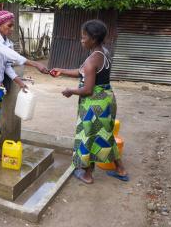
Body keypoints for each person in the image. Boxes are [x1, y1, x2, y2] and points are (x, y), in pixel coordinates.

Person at [51, 20, 128, 184]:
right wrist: (61, 70)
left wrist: (70, 91)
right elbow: (83, 72)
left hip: (93, 104)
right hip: (107, 100)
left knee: (86, 136)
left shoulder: (92, 59)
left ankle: (86, 174)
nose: (81, 40)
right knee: (105, 135)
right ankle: (120, 169)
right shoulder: (103, 52)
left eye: (84, 37)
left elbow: (87, 90)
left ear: (93, 38)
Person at [0, 10, 48, 146]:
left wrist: (21, 83)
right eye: (9, 26)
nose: (11, 29)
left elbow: (7, 67)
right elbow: (13, 56)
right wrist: (35, 64)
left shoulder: (8, 43)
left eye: (12, 26)